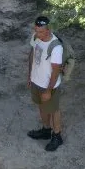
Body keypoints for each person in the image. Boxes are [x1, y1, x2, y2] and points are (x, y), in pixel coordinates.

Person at [27, 16, 64, 151]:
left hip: (49, 85)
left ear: (48, 31)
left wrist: (48, 90)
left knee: (53, 110)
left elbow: (56, 71)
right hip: (37, 81)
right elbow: (32, 54)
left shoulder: (56, 47)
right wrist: (30, 75)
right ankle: (46, 130)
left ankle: (57, 136)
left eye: (41, 32)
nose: (37, 34)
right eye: (36, 30)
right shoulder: (36, 37)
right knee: (42, 107)